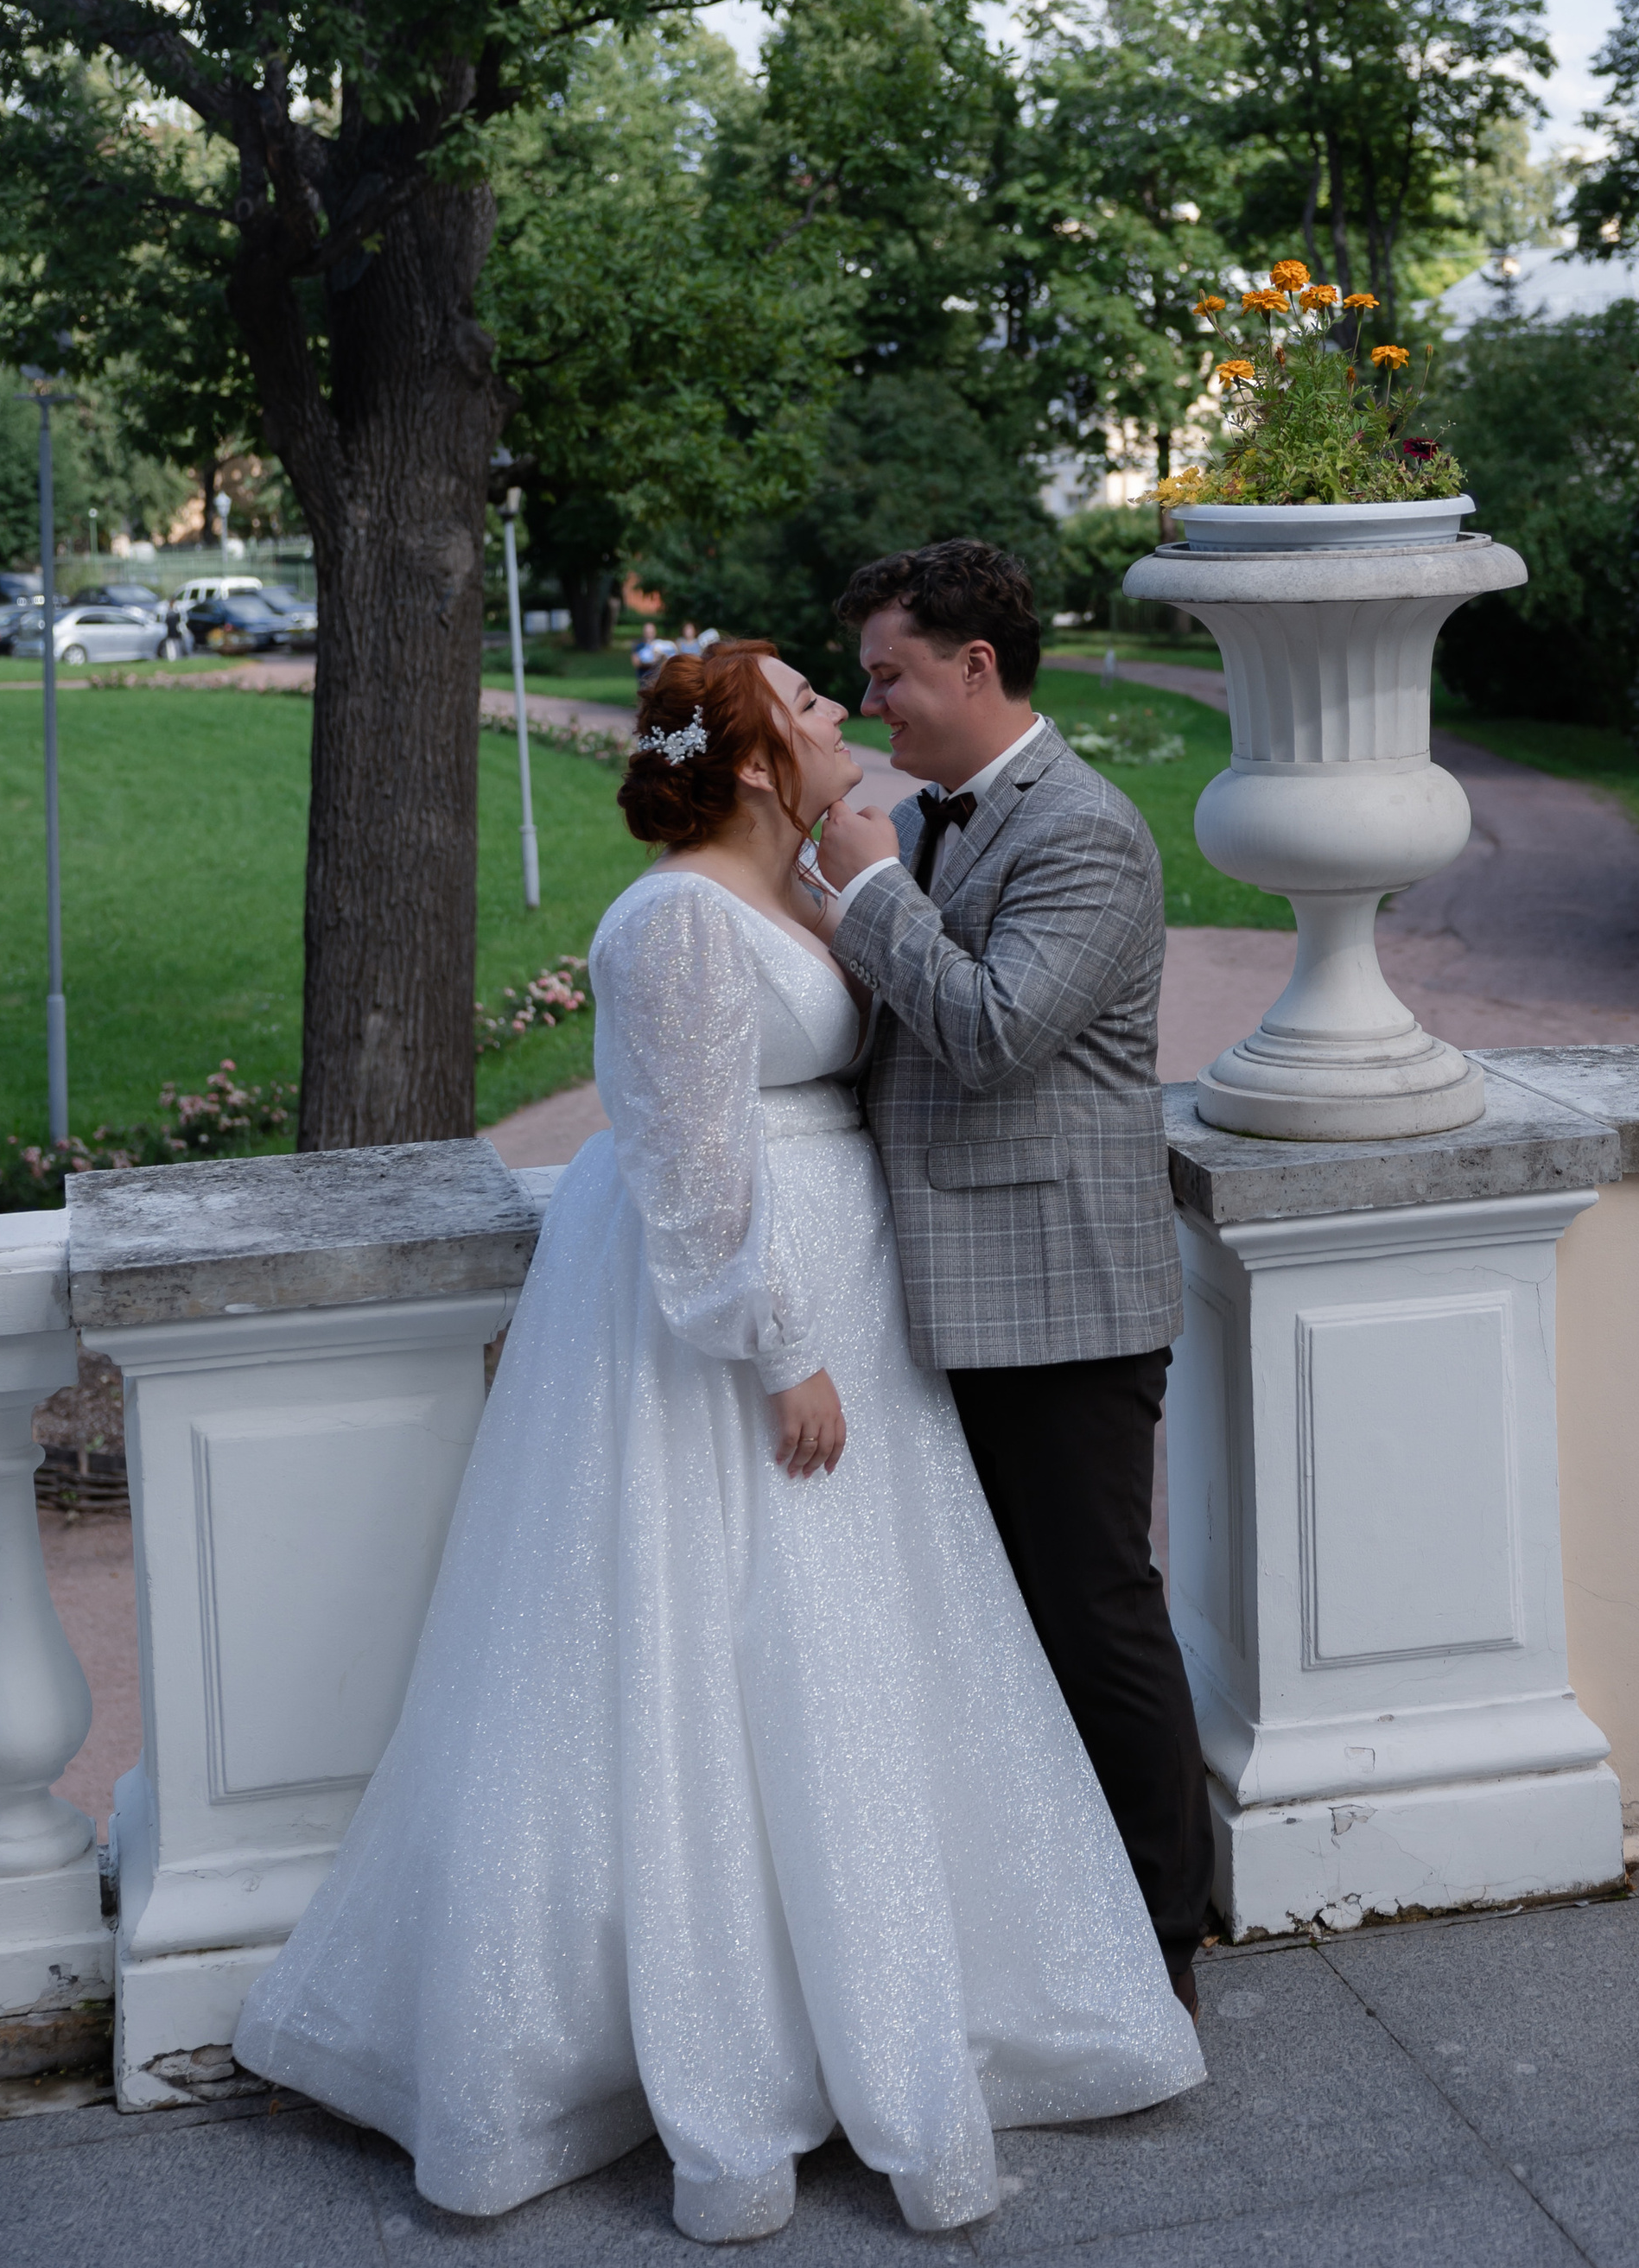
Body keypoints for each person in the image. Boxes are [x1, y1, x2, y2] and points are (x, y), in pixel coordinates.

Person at [234, 638, 1200, 2241]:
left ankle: (863, 2004)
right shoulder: (676, 918)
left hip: (854, 1299)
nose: (842, 716)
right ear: (753, 762)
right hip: (740, 1336)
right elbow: (683, 1164)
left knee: (847, 1660)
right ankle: (729, 2054)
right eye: (813, 705)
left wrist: (862, 894)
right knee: (709, 1657)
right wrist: (780, 1351)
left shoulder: (800, 889)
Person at [812, 541, 1215, 2019]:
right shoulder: (932, 820)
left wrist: (863, 895)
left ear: (976, 667)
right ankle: (1054, 1913)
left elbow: (990, 1034)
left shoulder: (1086, 831)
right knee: (994, 1622)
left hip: (1061, 1295)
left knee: (1094, 1616)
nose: (873, 703)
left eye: (890, 673)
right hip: (938, 1286)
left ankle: (1170, 1943)